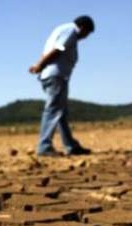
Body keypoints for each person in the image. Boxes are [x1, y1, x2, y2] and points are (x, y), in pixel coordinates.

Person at [28, 15, 95, 156]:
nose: (86, 37)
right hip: (56, 76)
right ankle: (44, 146)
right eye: (87, 33)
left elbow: (50, 50)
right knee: (53, 110)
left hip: (52, 75)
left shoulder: (62, 30)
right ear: (83, 27)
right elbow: (58, 49)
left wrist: (38, 64)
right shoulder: (70, 31)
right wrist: (40, 65)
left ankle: (71, 145)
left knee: (60, 113)